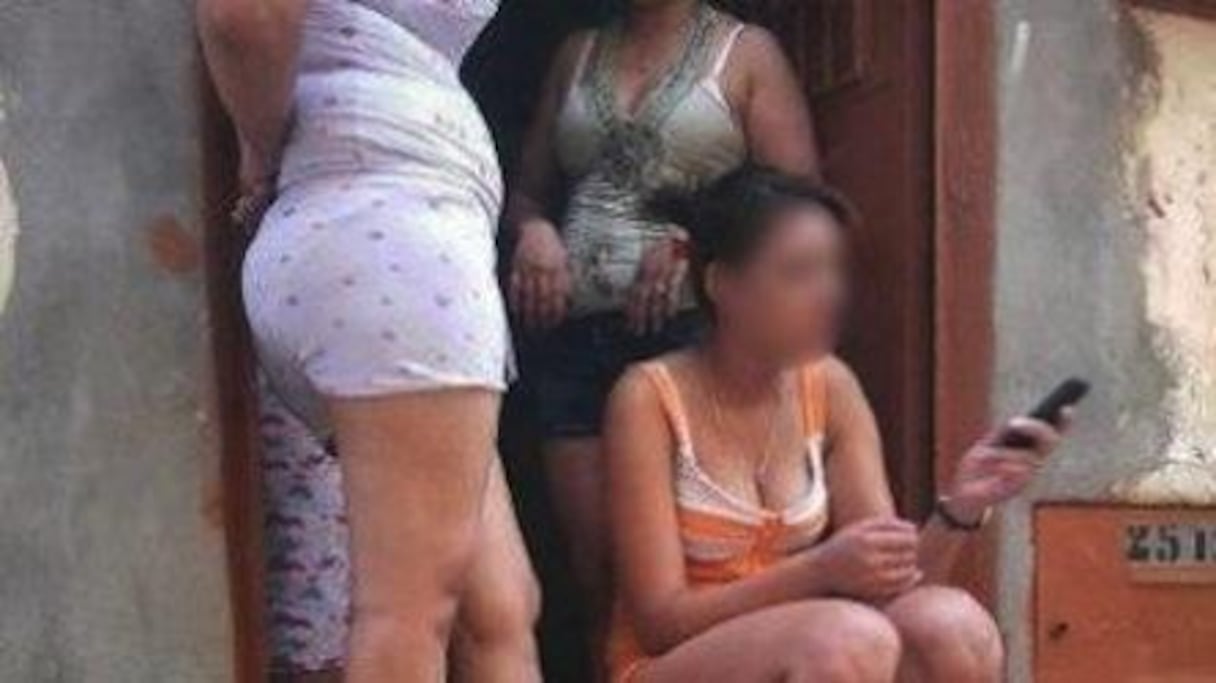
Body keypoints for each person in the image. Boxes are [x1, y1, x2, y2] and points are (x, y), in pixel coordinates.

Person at [603, 165, 1071, 682]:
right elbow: (660, 623)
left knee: (954, 626)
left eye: (834, 271)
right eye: (800, 273)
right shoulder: (647, 398)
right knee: (847, 638)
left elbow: (891, 583)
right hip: (670, 664)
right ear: (723, 285)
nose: (830, 293)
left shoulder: (829, 385)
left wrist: (963, 504)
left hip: (814, 645)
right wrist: (819, 569)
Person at [196, 1, 541, 681]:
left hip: (384, 248)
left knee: (499, 607)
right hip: (389, 241)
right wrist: (261, 151)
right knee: (407, 616)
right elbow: (244, 14)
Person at [507, 0, 819, 665]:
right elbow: (526, 189)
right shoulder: (577, 53)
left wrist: (694, 239)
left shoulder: (746, 53)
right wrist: (532, 230)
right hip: (574, 339)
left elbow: (796, 201)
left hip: (691, 335)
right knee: (595, 564)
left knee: (695, 560)